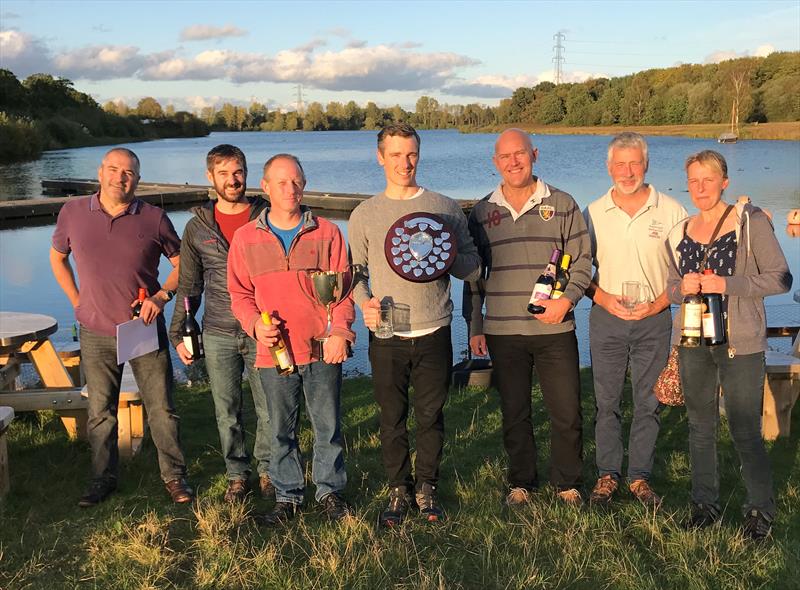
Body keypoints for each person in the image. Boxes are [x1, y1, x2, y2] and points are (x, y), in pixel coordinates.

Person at [349, 123, 481, 526]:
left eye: (410, 154)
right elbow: (355, 272)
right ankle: (397, 490)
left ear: (419, 155)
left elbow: (473, 267)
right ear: (380, 157)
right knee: (391, 417)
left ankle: (426, 488)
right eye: (395, 155)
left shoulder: (444, 207)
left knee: (430, 416)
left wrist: (449, 253)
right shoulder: (365, 214)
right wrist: (363, 304)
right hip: (387, 332)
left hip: (434, 329)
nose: (404, 163)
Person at [50, 147, 193, 507]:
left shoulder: (155, 218)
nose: (120, 177)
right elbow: (57, 257)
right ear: (100, 173)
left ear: (138, 180)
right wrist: (76, 300)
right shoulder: (74, 213)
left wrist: (160, 297)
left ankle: (174, 477)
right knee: (100, 411)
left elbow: (183, 267)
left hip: (142, 328)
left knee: (161, 407)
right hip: (96, 329)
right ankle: (102, 478)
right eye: (113, 169)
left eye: (128, 172)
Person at [666, 150, 792, 540]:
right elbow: (670, 289)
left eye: (709, 179)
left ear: (724, 182)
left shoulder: (749, 223)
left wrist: (728, 285)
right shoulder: (679, 231)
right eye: (694, 180)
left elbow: (781, 279)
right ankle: (704, 506)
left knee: (744, 430)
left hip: (740, 342)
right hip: (691, 342)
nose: (700, 187)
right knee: (700, 428)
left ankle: (760, 511)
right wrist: (679, 288)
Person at [463, 129, 590, 507]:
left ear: (534, 154)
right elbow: (473, 275)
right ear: (495, 162)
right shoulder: (482, 212)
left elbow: (583, 261)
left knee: (566, 410)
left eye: (520, 154)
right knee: (515, 412)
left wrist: (566, 301)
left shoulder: (563, 203)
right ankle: (522, 482)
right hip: (503, 329)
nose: (513, 162)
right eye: (505, 157)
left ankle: (567, 482)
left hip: (554, 327)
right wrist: (475, 327)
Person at [228, 153, 355, 525]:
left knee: (327, 427)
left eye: (296, 180)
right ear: (265, 187)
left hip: (321, 347)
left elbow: (344, 291)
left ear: (305, 183)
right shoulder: (245, 238)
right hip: (274, 353)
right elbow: (239, 293)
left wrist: (340, 333)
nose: (291, 188)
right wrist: (254, 325)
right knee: (280, 430)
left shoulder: (327, 232)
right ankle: (288, 498)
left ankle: (330, 492)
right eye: (281, 182)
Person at [583, 132, 687, 507]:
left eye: (634, 163)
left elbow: (685, 273)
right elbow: (578, 270)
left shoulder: (672, 211)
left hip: (654, 320)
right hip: (606, 318)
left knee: (648, 402)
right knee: (606, 401)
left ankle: (640, 477)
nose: (627, 172)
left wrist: (660, 303)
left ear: (646, 165)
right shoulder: (592, 212)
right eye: (619, 164)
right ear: (609, 167)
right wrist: (602, 297)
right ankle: (607, 474)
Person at [168, 144, 272, 503]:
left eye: (238, 171)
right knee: (227, 410)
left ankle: (268, 472)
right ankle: (236, 475)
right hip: (217, 331)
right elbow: (188, 286)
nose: (233, 180)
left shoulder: (266, 216)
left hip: (263, 328)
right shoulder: (197, 228)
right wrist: (178, 330)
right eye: (224, 173)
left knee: (268, 407)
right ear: (210, 177)